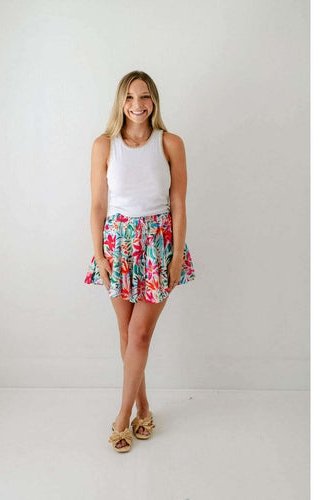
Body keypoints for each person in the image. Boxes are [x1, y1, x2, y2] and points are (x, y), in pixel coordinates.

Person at [84, 70, 196, 452]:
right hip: (117, 246)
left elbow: (178, 203)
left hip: (157, 246)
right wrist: (99, 255)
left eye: (144, 96)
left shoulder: (171, 143)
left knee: (141, 333)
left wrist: (177, 256)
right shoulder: (104, 145)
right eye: (130, 97)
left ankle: (122, 418)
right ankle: (143, 409)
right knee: (127, 333)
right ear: (121, 102)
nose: (137, 104)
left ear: (154, 101)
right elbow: (98, 205)